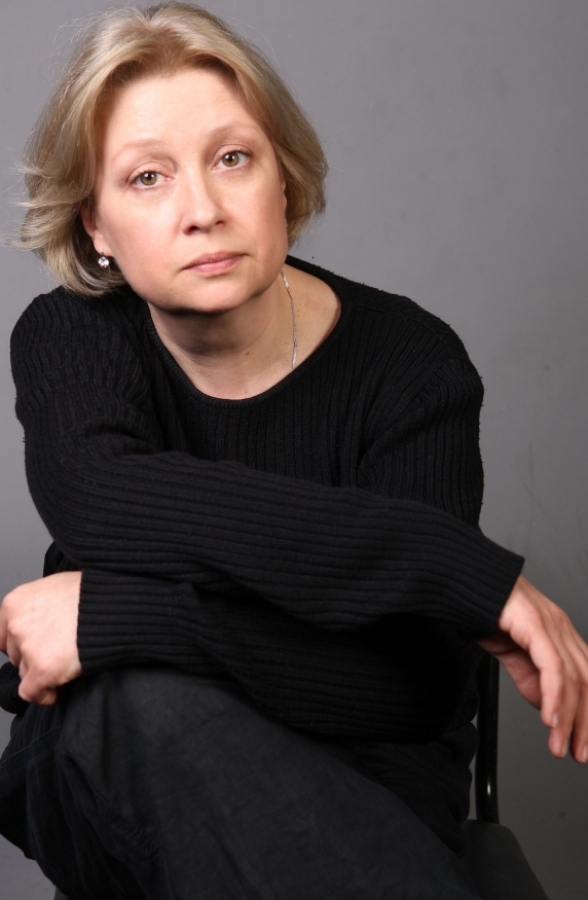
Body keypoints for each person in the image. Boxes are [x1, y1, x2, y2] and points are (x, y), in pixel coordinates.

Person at [0, 4, 586, 898]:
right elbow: (101, 494)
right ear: (96, 228)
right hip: (123, 778)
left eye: (233, 159)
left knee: (133, 681)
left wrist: (123, 621)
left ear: (284, 179)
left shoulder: (409, 361)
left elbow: (414, 690)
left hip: (364, 787)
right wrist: (443, 562)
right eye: (148, 178)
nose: (202, 210)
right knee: (132, 702)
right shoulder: (73, 337)